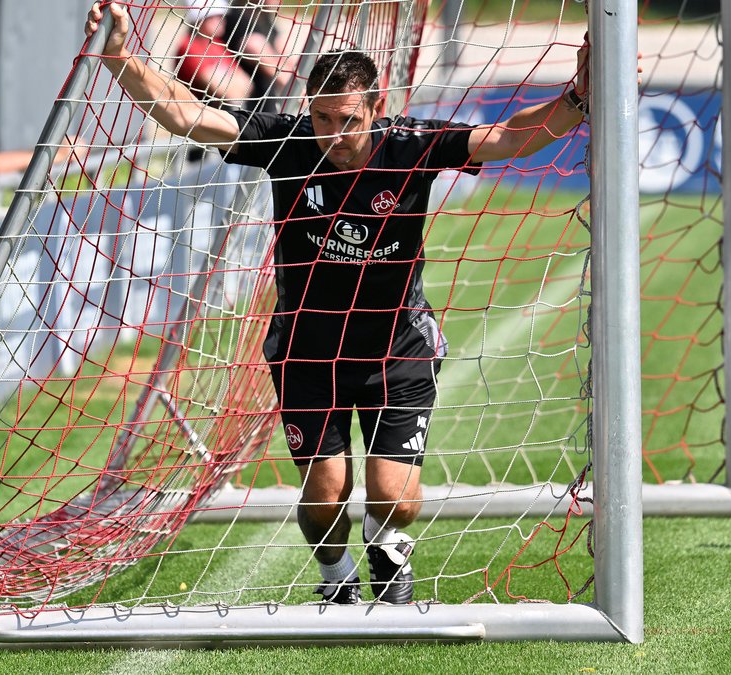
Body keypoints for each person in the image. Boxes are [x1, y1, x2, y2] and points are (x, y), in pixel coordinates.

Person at [86, 2, 589, 604]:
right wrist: (119, 59)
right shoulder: (288, 143)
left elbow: (511, 136)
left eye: (348, 120)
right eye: (322, 118)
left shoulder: (412, 145)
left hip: (396, 349)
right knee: (326, 493)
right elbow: (189, 115)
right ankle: (337, 575)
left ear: (376, 108)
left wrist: (578, 99)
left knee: (397, 498)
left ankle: (387, 545)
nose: (335, 135)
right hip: (307, 350)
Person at [172, 0, 293, 110]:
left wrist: (228, 81)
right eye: (216, 16)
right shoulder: (190, 47)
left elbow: (247, 86)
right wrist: (230, 82)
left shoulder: (218, 45)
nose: (222, 19)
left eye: (221, 15)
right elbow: (225, 91)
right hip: (197, 118)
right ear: (200, 19)